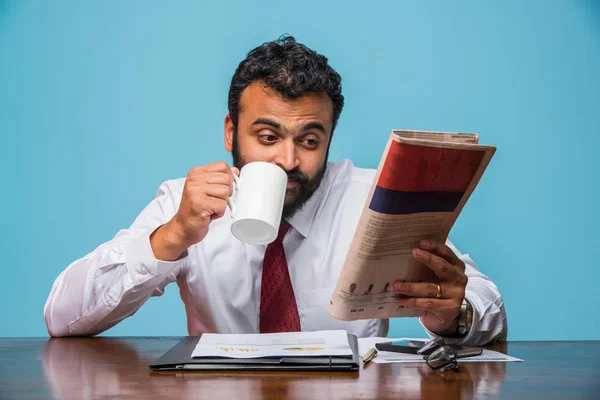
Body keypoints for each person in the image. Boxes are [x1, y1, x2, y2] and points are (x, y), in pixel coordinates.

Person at [44, 36, 507, 345]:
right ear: (231, 133)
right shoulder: (184, 204)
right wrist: (168, 239)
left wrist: (455, 314)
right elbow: (61, 317)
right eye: (267, 138)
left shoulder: (375, 197)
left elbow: (487, 302)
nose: (288, 161)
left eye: (309, 140)